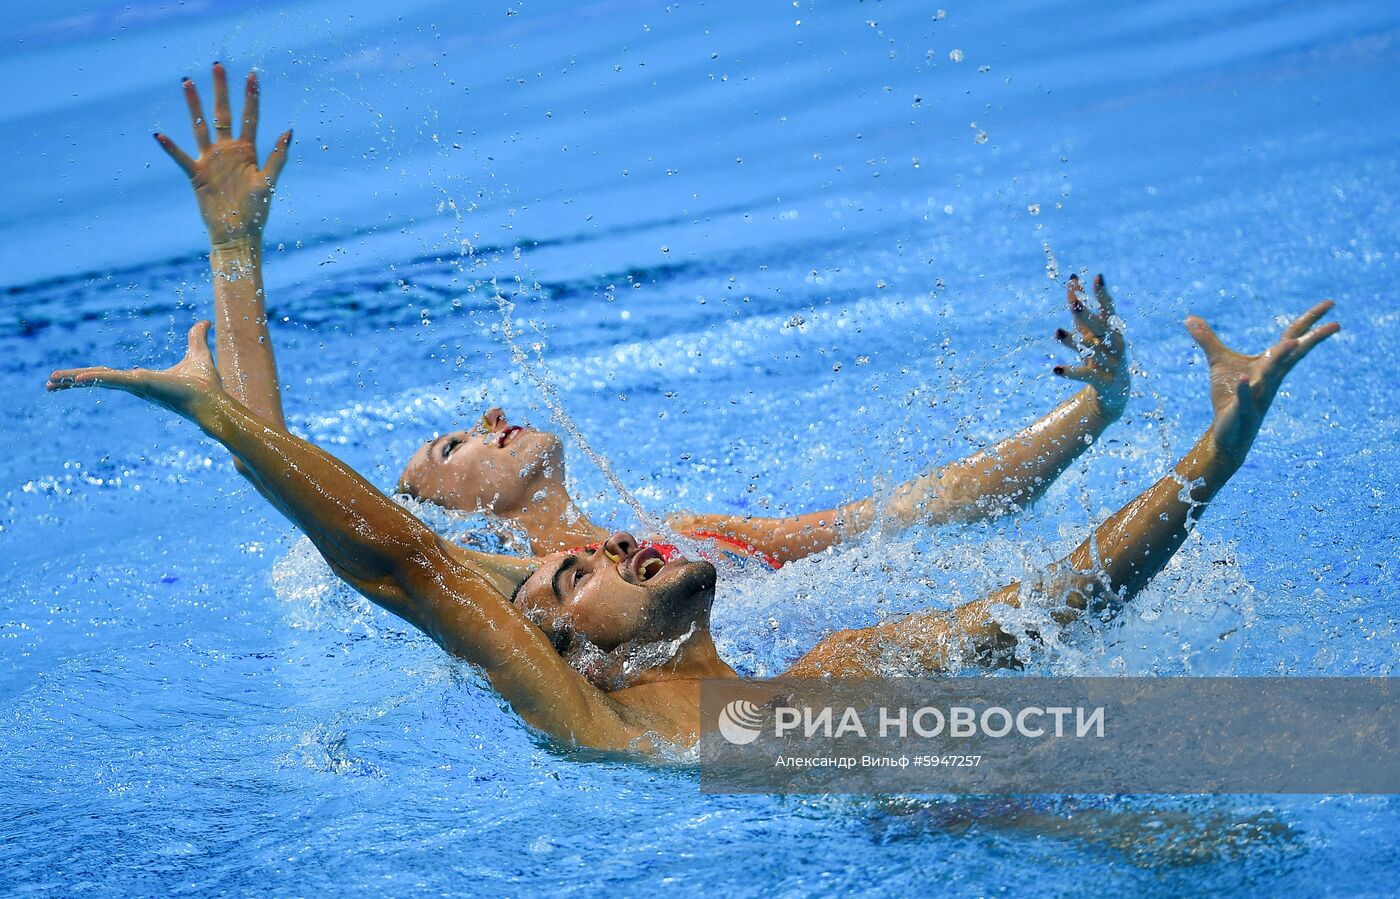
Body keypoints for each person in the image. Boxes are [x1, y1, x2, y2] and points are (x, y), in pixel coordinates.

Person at [46, 294, 1338, 755]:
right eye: (443, 444)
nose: (603, 549)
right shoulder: (586, 706)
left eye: (593, 548)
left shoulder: (825, 668)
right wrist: (224, 397)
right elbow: (380, 552)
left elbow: (1061, 593)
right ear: (557, 630)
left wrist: (1205, 441)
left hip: (952, 807)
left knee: (1268, 775)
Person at [155, 65, 1132, 568]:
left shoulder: (692, 540)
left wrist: (1094, 411)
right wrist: (234, 252)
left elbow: (926, 507)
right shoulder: (494, 584)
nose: (488, 418)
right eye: (452, 445)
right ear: (460, 516)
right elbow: (275, 461)